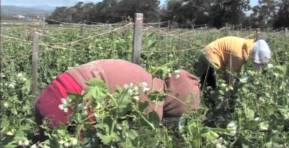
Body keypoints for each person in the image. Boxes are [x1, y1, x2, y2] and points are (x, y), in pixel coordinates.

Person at [35, 59, 200, 128]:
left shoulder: (146, 78)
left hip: (55, 91)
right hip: (71, 101)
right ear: (177, 102)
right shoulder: (152, 104)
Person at [194, 36, 272, 109]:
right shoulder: (239, 55)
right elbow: (230, 75)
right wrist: (231, 92)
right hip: (210, 56)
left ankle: (207, 105)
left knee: (205, 85)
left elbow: (232, 71)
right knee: (211, 88)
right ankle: (209, 110)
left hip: (210, 54)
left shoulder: (246, 47)